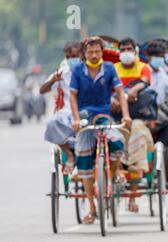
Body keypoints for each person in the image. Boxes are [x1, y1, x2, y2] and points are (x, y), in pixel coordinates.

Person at [70, 36, 132, 224]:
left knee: (118, 142)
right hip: (85, 118)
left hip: (105, 117)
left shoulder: (109, 69)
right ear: (85, 54)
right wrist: (75, 119)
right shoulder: (77, 71)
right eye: (90, 52)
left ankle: (112, 175)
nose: (94, 55)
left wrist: (126, 115)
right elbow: (72, 96)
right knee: (84, 162)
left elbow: (120, 92)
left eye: (97, 52)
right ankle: (92, 207)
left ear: (102, 52)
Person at [113, 37, 153, 213]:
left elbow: (145, 82)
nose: (126, 52)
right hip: (116, 117)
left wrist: (132, 91)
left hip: (137, 117)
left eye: (129, 49)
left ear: (135, 51)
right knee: (115, 134)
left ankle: (132, 198)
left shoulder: (143, 67)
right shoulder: (113, 69)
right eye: (123, 50)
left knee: (136, 131)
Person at [41, 41, 81, 174]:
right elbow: (42, 90)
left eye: (75, 56)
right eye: (69, 57)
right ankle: (69, 154)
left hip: (86, 110)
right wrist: (53, 80)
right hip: (68, 113)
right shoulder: (62, 73)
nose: (72, 59)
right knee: (52, 123)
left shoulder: (89, 70)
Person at [146, 39, 168, 146]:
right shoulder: (143, 72)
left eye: (161, 56)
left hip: (162, 116)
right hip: (144, 115)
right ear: (148, 57)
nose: (158, 59)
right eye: (155, 56)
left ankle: (159, 152)